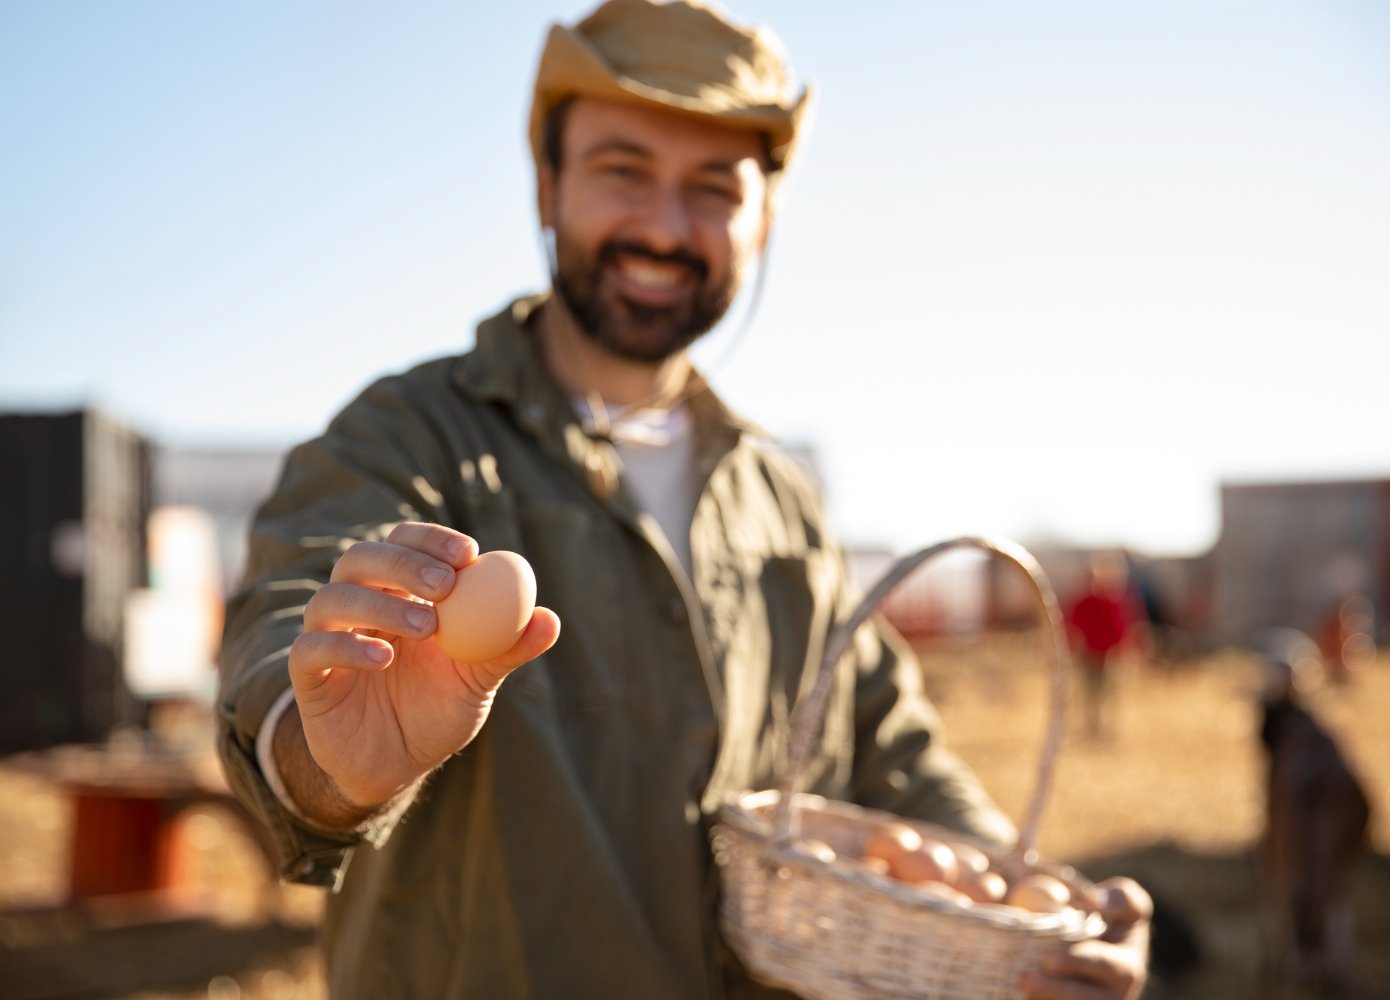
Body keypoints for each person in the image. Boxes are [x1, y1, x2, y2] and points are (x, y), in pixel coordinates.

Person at [215, 2, 1151, 997]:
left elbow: (889, 744)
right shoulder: (410, 436)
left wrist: (1024, 914)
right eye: (623, 171)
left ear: (764, 219)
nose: (665, 228)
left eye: (713, 188)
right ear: (547, 185)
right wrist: (332, 760)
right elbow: (289, 630)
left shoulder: (777, 498)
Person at [1065, 552, 1144, 742]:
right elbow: (1073, 625)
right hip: (1088, 656)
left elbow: (1121, 627)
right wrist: (1073, 645)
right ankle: (1090, 727)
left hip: (1109, 656)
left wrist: (1126, 648)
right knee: (1089, 692)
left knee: (1109, 692)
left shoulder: (1113, 602)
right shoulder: (1085, 601)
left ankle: (1106, 728)